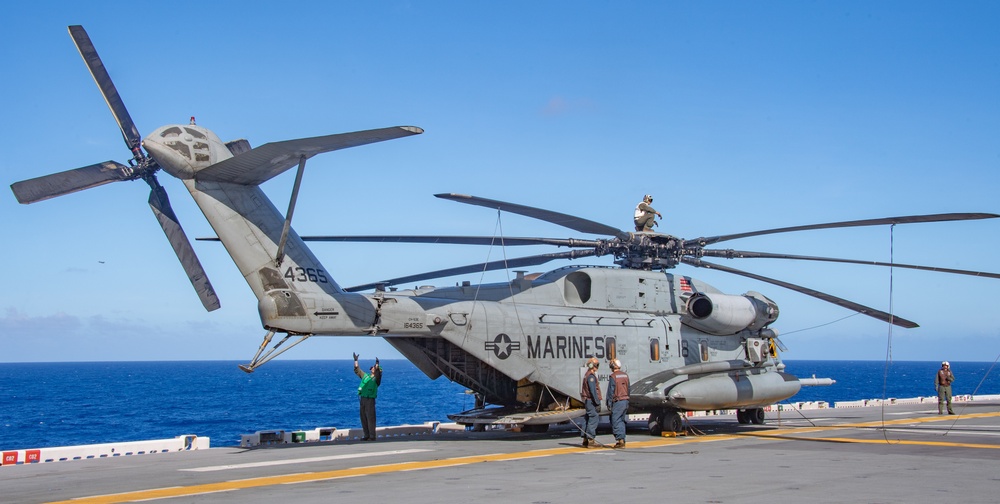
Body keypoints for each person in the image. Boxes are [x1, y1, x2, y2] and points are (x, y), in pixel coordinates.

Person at [354, 353, 383, 440]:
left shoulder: (376, 379)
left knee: (370, 417)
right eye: (372, 367)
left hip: (370, 399)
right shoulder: (366, 376)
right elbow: (357, 370)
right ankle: (366, 435)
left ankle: (372, 436)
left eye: (374, 367)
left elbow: (378, 373)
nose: (372, 368)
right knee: (363, 417)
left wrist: (377, 364)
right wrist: (356, 360)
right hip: (362, 398)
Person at [606, 359, 630, 449]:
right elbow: (629, 389)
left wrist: (609, 403)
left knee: (615, 420)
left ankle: (620, 440)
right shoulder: (625, 375)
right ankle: (622, 439)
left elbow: (611, 391)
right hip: (625, 400)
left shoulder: (613, 376)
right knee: (621, 421)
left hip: (618, 401)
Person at [580, 357, 602, 448]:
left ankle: (585, 439)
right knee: (593, 418)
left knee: (587, 419)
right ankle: (591, 440)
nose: (597, 367)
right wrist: (597, 402)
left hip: (588, 400)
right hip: (591, 401)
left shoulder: (587, 374)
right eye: (596, 365)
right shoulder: (591, 377)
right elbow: (593, 391)